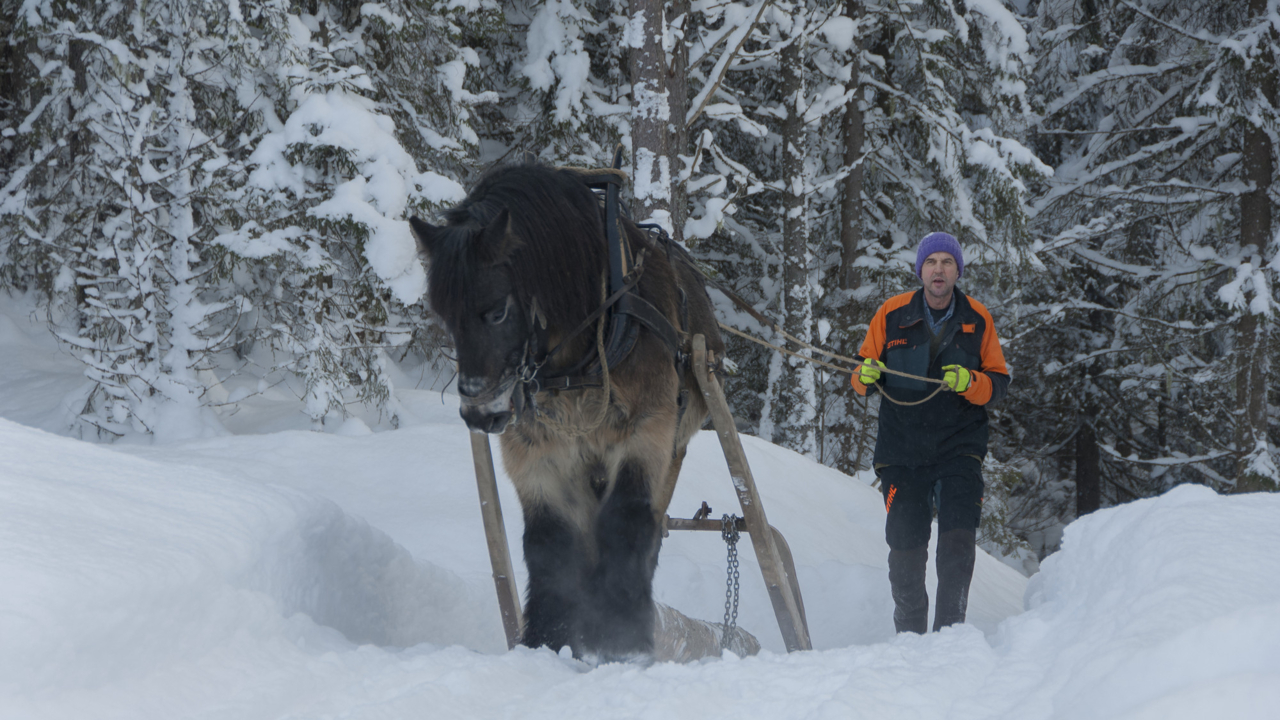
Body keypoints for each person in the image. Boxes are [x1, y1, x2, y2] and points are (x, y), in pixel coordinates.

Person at [850, 232, 1010, 634]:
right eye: (931, 262)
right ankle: (910, 632)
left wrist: (971, 381)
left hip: (959, 448)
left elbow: (998, 385)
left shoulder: (978, 318)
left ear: (958, 270)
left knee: (958, 540)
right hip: (901, 450)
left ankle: (951, 633)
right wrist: (865, 376)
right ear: (920, 270)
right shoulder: (891, 313)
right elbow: (859, 373)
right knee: (905, 545)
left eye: (947, 262)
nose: (939, 270)